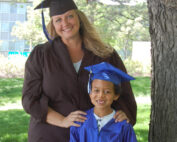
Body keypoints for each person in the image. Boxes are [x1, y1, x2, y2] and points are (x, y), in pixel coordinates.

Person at [22, 0, 137, 141]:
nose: (65, 23)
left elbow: (124, 92)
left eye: (69, 16)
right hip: (49, 135)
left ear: (79, 18)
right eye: (58, 19)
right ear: (53, 24)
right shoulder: (41, 55)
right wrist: (62, 121)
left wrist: (125, 114)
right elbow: (30, 99)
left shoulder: (105, 54)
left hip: (92, 136)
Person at [70, 62, 137, 142]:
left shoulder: (123, 126)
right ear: (90, 93)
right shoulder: (80, 122)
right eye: (96, 90)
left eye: (107, 92)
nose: (101, 95)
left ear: (116, 95)